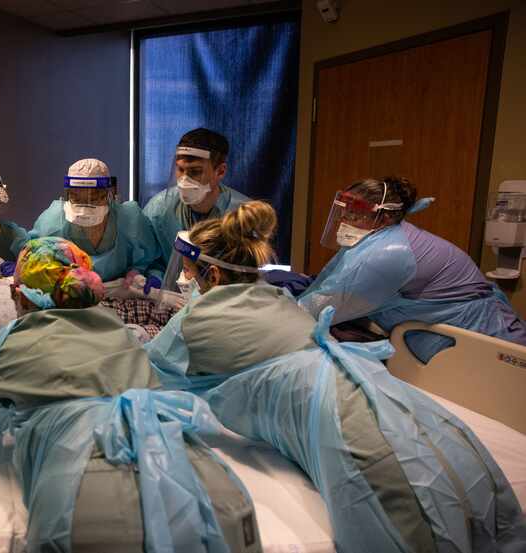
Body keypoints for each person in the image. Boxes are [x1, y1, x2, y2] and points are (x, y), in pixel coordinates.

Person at [146, 200, 526, 553]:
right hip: (373, 386)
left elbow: (145, 370)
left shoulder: (194, 321)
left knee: (407, 519)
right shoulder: (276, 298)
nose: (184, 278)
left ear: (211, 274)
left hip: (337, 417)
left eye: (189, 271)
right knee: (446, 469)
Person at [0, 236, 260, 553]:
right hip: (209, 487)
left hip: (87, 500)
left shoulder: (6, 344)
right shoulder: (122, 332)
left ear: (18, 295)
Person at [299, 176, 526, 363]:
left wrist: (285, 303)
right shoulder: (381, 237)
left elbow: (318, 309)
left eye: (355, 215)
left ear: (385, 216)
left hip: (486, 347)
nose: (345, 221)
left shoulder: (387, 254)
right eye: (344, 212)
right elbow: (332, 284)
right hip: (464, 339)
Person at [29, 158, 162, 287]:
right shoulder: (52, 224)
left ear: (109, 194)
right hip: (71, 298)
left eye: (94, 198)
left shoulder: (131, 221)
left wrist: (140, 273)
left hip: (121, 294)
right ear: (68, 195)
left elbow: (154, 261)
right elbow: (31, 259)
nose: (85, 208)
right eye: (76, 198)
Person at [143, 128, 248, 274]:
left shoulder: (243, 217)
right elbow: (147, 262)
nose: (184, 180)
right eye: (180, 169)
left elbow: (247, 275)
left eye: (195, 171)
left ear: (220, 171)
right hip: (170, 294)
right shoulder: (158, 210)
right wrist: (154, 278)